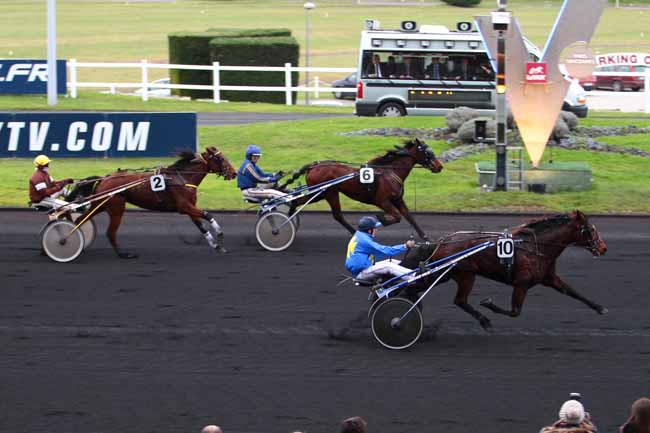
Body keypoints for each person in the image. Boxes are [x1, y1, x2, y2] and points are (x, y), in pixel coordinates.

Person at [345, 216, 415, 282]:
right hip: (362, 272)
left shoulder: (359, 235)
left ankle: (412, 271)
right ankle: (415, 277)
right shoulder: (365, 241)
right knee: (388, 266)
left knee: (392, 261)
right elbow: (386, 251)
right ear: (369, 231)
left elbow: (377, 254)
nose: (376, 230)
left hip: (364, 267)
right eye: (375, 228)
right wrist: (405, 246)